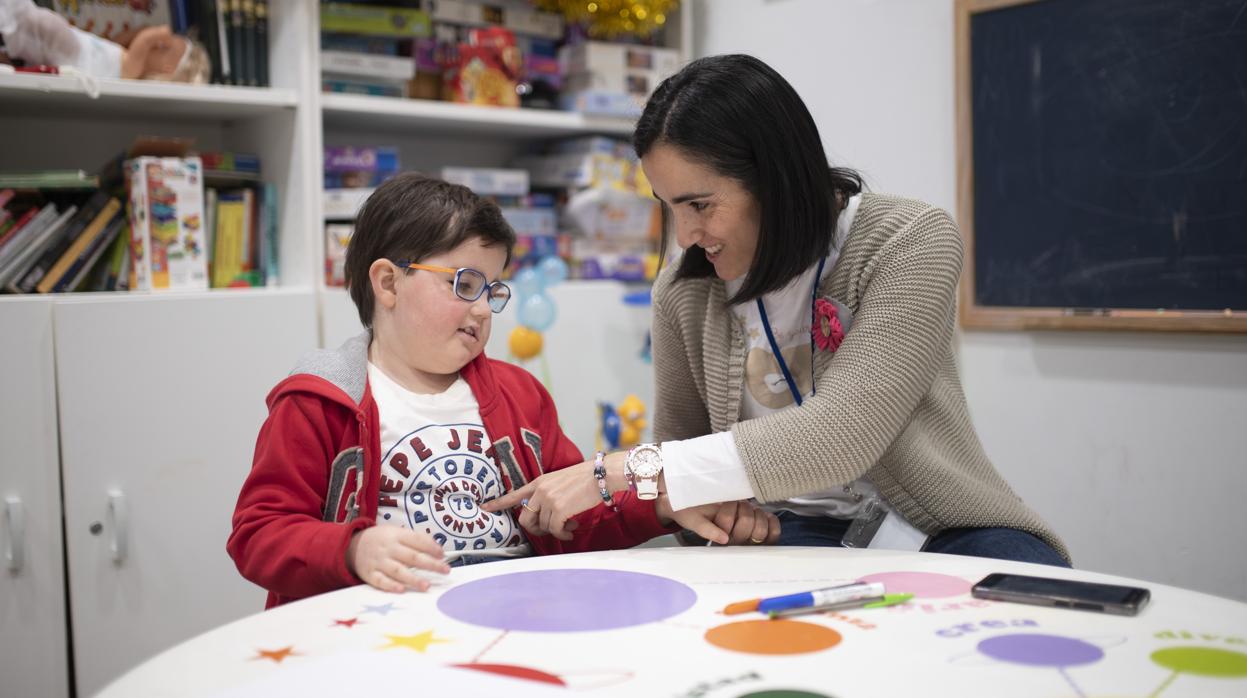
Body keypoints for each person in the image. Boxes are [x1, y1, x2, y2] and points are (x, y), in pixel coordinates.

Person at [485, 54, 1070, 567]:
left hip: (942, 528)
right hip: (788, 530)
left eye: (700, 204)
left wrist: (616, 473)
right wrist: (707, 509)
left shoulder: (910, 240)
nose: (685, 234)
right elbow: (682, 461)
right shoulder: (684, 292)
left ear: (776, 178)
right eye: (669, 207)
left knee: (1036, 604)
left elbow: (842, 434)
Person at [227, 173, 775, 609]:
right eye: (463, 283)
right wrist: (351, 548)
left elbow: (571, 518)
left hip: (511, 611)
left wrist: (663, 505)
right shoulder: (319, 400)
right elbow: (259, 534)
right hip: (377, 626)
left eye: (492, 289)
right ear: (388, 283)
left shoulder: (520, 396)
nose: (483, 308)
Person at [0, 0, 209, 82]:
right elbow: (122, 40)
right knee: (31, 34)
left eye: (166, 46)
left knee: (41, 23)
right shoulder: (123, 56)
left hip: (74, 52)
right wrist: (142, 31)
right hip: (71, 50)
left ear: (166, 68)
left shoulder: (131, 71)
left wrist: (161, 31)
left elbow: (144, 41)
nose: (160, 42)